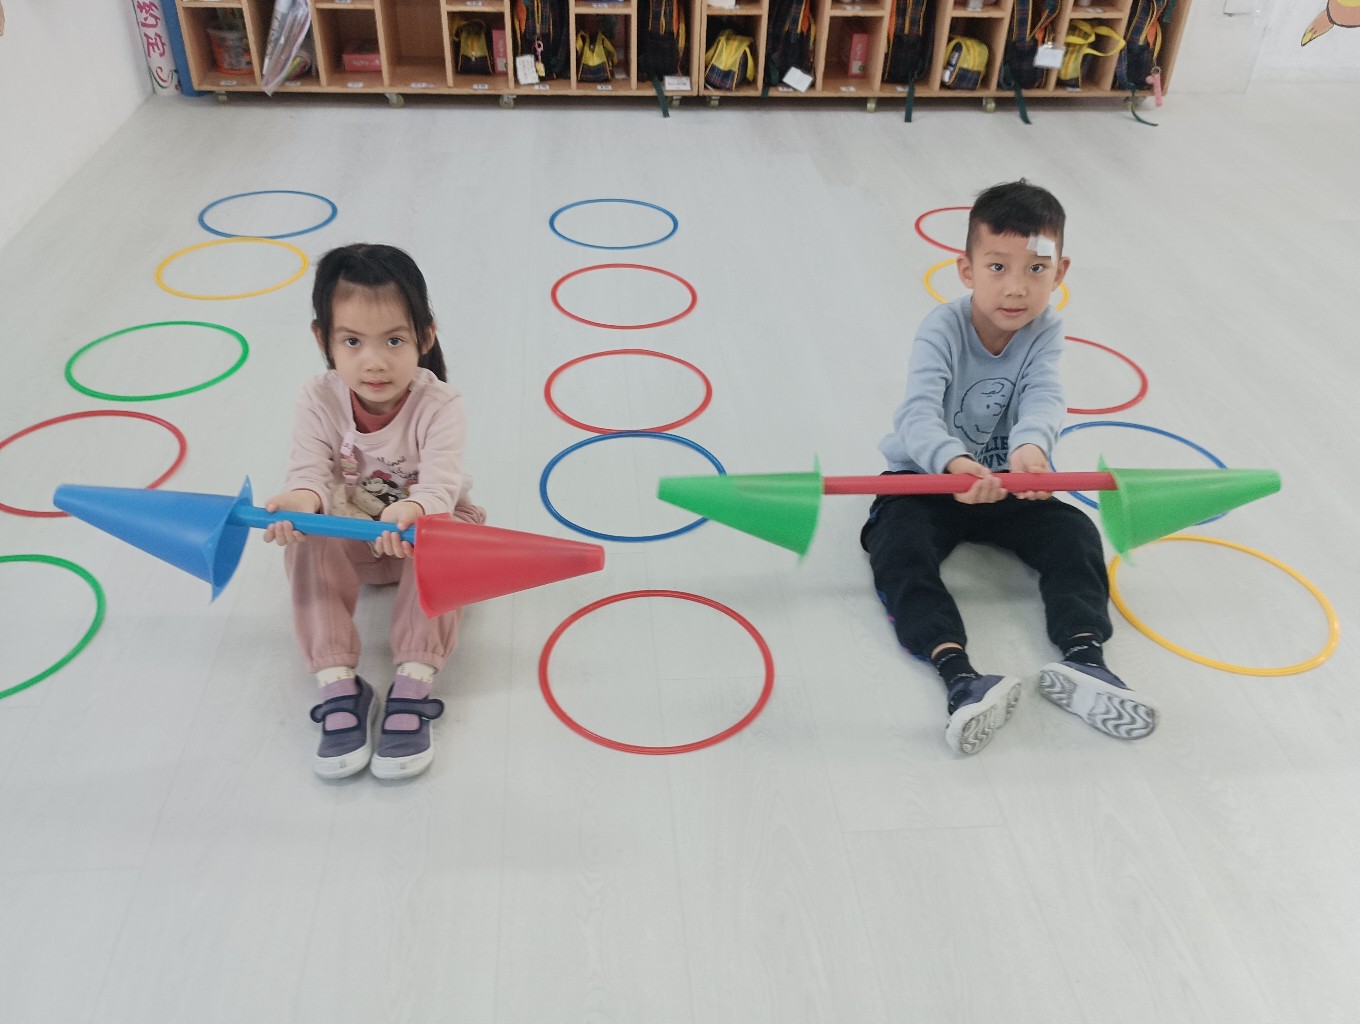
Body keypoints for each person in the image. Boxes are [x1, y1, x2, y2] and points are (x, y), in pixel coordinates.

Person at [861, 180, 1157, 755]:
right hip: (927, 478)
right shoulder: (942, 328)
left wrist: (1032, 451)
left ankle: (1085, 659)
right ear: (967, 270)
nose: (1017, 287)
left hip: (1007, 480)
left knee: (1073, 533)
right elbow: (917, 414)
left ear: (1060, 272)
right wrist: (953, 463)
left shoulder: (1046, 329)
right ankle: (959, 676)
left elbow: (1044, 397)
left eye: (1036, 269)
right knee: (898, 546)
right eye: (997, 267)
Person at [263, 243, 485, 780]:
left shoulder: (441, 404)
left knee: (451, 536)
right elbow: (309, 474)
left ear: (424, 337)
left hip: (417, 539)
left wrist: (412, 510)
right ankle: (339, 683)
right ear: (323, 339)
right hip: (356, 542)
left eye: (394, 340)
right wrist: (299, 502)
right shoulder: (316, 399)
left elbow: (439, 488)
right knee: (305, 532)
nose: (374, 361)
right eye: (352, 341)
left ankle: (414, 678)